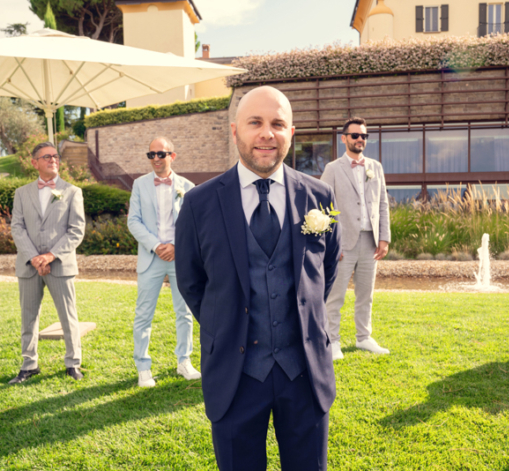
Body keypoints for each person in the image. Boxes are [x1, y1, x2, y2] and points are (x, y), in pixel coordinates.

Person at [175, 86, 341, 470]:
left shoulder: (320, 197)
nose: (267, 133)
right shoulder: (199, 203)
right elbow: (191, 282)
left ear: (291, 133)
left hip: (304, 374)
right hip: (235, 378)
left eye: (278, 124)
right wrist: (226, 324)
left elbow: (325, 271)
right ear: (235, 130)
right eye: (255, 122)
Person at [9, 142, 85, 384]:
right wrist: (34, 257)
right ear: (34, 163)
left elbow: (76, 230)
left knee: (68, 316)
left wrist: (51, 256)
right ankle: (29, 364)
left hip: (60, 265)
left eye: (55, 156)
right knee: (28, 317)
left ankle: (73, 363)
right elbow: (17, 228)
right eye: (47, 157)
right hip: (28, 266)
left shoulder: (72, 191)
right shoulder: (21, 193)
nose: (53, 160)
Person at [127, 136, 199, 387]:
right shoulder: (139, 184)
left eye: (161, 154)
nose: (155, 159)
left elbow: (193, 224)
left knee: (185, 312)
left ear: (172, 156)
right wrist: (157, 246)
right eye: (151, 154)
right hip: (151, 257)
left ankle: (184, 361)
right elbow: (133, 221)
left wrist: (177, 246)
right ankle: (143, 367)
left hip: (180, 258)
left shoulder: (188, 186)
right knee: (143, 314)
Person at [320, 117, 391, 361]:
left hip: (370, 242)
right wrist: (331, 242)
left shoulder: (376, 167)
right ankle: (332, 341)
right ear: (344, 138)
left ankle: (364, 337)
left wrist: (384, 238)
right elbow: (323, 206)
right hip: (342, 243)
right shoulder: (332, 169)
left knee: (366, 295)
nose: (360, 139)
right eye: (355, 135)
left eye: (364, 136)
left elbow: (383, 203)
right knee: (335, 296)